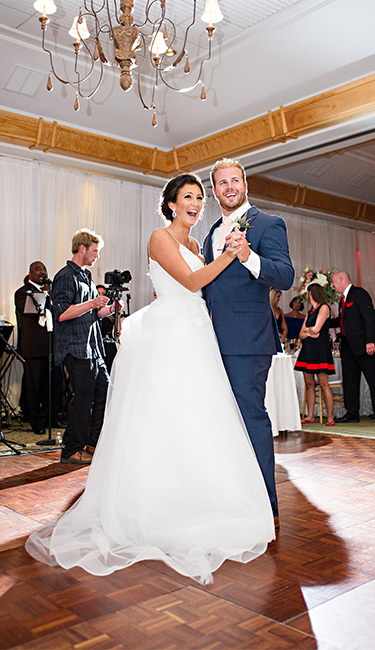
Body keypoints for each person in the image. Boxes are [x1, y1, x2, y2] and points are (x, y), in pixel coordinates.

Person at [26, 173, 274, 584]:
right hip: (171, 335)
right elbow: (191, 282)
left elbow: (199, 289)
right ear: (172, 204)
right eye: (188, 196)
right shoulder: (160, 237)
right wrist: (232, 255)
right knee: (165, 417)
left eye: (199, 197)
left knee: (198, 419)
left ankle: (197, 497)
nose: (195, 203)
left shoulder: (196, 245)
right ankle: (155, 505)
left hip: (197, 332)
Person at [202, 158, 295, 521]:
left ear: (245, 184)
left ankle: (264, 505)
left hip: (247, 340)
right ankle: (233, 497)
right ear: (215, 191)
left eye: (234, 180)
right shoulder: (210, 233)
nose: (229, 187)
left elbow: (285, 276)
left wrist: (248, 255)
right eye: (222, 183)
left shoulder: (268, 224)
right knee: (222, 420)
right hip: (210, 341)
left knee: (250, 416)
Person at [51, 229, 120, 465]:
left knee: (103, 393)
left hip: (93, 348)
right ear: (82, 248)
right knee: (82, 399)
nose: (97, 256)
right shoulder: (65, 276)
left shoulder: (86, 277)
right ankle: (71, 449)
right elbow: (62, 314)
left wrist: (110, 309)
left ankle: (92, 443)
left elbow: (92, 314)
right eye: (94, 251)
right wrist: (92, 303)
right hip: (75, 348)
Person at [327, 270, 375, 426]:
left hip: (365, 345)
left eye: (333, 282)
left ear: (341, 280)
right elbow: (343, 321)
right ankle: (352, 413)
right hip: (348, 346)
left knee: (374, 380)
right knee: (350, 381)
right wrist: (322, 322)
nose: (333, 286)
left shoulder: (359, 294)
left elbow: (369, 318)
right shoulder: (343, 299)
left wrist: (370, 341)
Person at [14, 261, 62, 437]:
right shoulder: (22, 292)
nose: (42, 272)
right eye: (38, 269)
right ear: (30, 273)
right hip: (34, 348)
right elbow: (30, 311)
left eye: (44, 269)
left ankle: (53, 417)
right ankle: (37, 421)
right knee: (34, 386)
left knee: (54, 384)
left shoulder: (52, 292)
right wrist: (45, 294)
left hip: (52, 346)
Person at [295, 283, 336, 426]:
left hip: (320, 350)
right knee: (309, 384)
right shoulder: (310, 312)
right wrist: (309, 331)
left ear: (311, 293)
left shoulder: (324, 307)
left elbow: (317, 329)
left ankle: (330, 417)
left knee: (324, 384)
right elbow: (301, 334)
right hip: (308, 349)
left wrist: (308, 330)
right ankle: (310, 415)